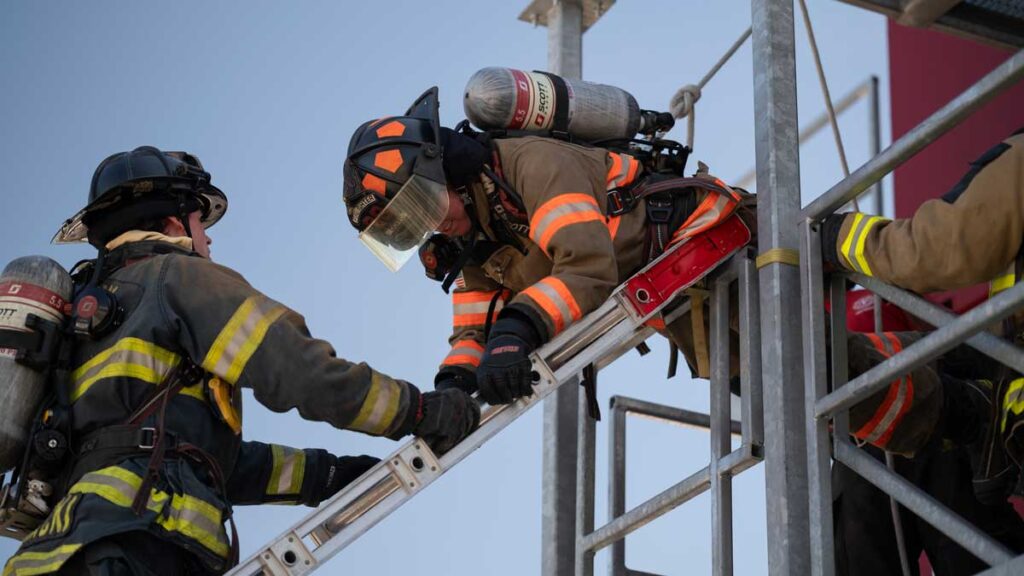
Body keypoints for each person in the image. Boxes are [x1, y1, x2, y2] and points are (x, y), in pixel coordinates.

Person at [2, 146, 479, 576]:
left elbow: (196, 458)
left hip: (59, 554)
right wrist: (417, 411)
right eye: (202, 227)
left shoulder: (82, 325)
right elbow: (296, 369)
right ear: (173, 224)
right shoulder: (178, 277)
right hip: (136, 545)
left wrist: (328, 473)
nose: (209, 244)